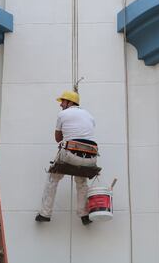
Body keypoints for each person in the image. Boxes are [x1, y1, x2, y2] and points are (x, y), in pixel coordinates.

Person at [35, 90, 99, 226]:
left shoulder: (63, 114)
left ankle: (45, 213)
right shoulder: (89, 115)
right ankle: (84, 215)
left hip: (70, 155)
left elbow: (58, 138)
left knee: (53, 178)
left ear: (70, 102)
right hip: (91, 158)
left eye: (63, 101)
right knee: (81, 181)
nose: (61, 105)